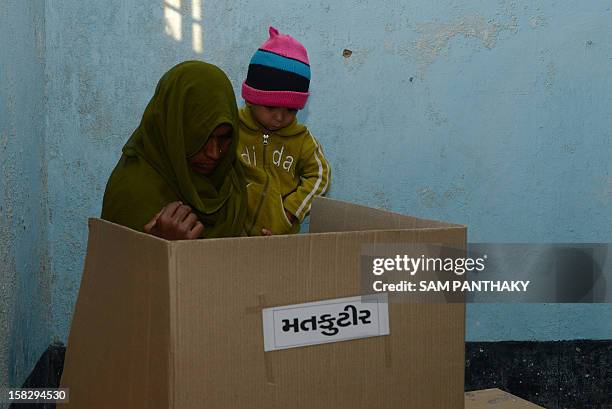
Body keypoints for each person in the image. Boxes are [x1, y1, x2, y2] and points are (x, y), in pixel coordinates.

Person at [101, 61, 247, 240]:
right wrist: (159, 247)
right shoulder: (133, 194)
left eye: (224, 138)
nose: (214, 153)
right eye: (199, 138)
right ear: (172, 130)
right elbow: (117, 265)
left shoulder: (230, 183)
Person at [238, 27, 331, 236]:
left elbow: (320, 175)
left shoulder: (302, 140)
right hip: (231, 236)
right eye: (270, 108)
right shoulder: (233, 128)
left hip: (278, 238)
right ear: (251, 99)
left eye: (290, 110)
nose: (280, 118)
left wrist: (290, 212)